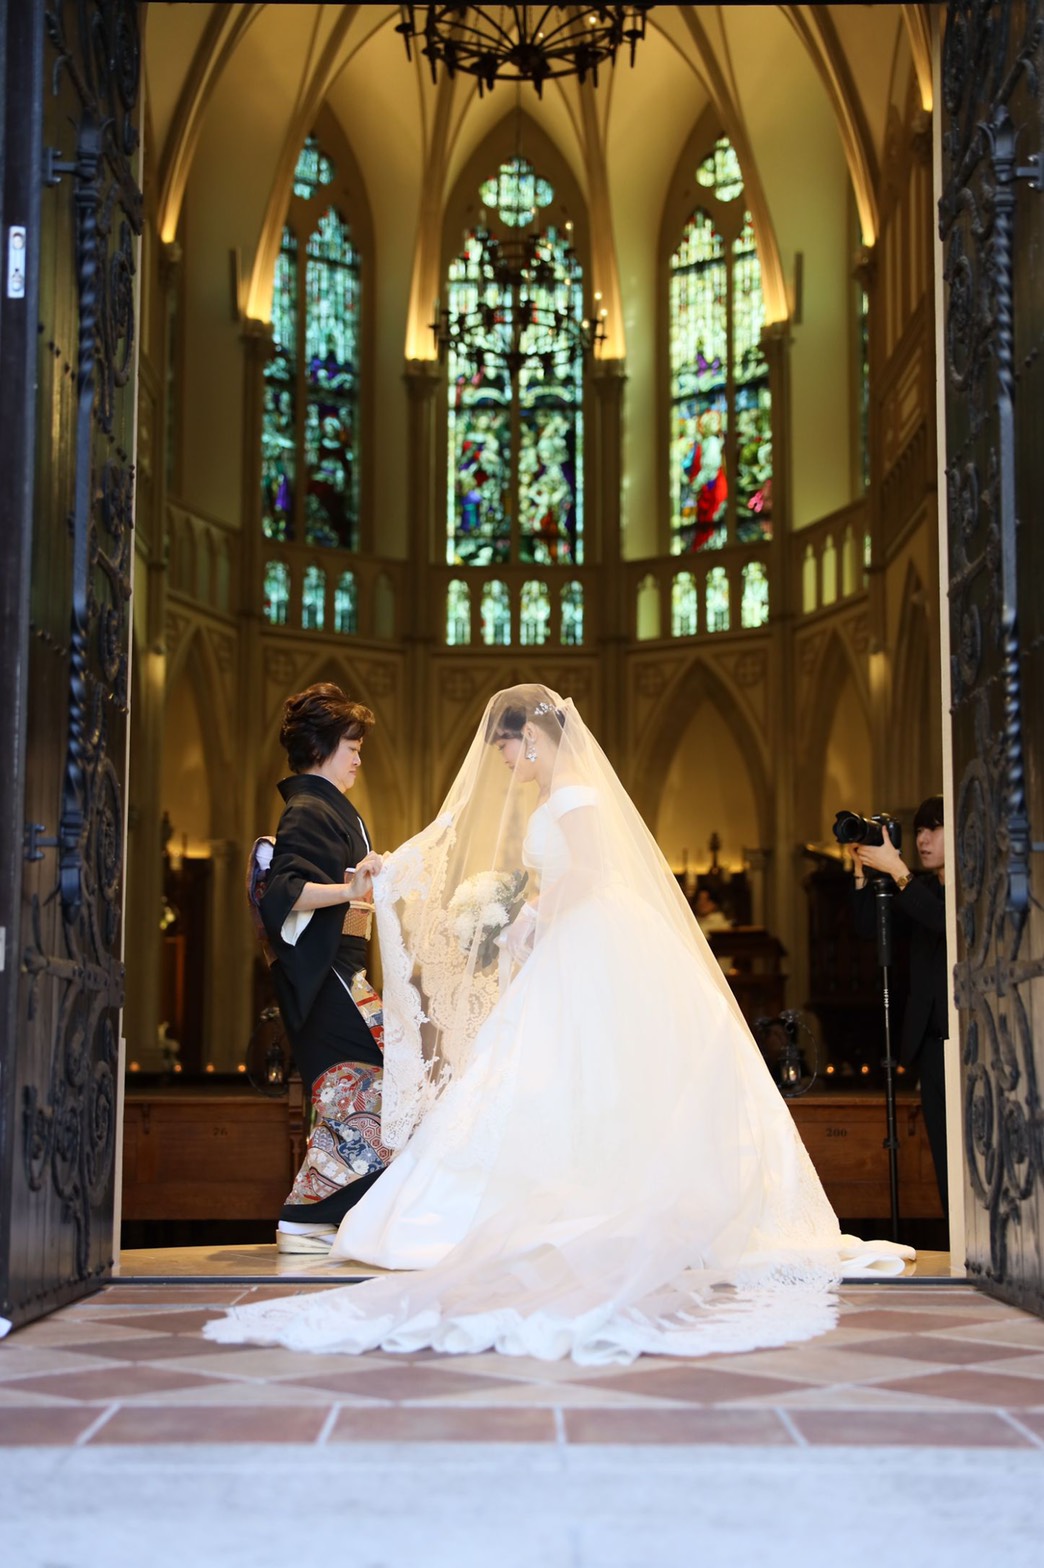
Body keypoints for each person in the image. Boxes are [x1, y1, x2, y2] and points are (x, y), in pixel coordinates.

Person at [207, 684, 910, 1363]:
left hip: (590, 941)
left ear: (533, 737)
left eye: (509, 751)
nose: (507, 765)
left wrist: (536, 915)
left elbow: (593, 870)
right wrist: (528, 914)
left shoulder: (574, 791)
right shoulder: (539, 794)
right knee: (558, 1072)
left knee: (579, 1066)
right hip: (571, 940)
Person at [260, 683, 386, 1254]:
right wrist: (350, 888)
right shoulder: (311, 808)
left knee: (361, 1093)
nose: (359, 757)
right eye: (351, 745)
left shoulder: (329, 807)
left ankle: (313, 1215)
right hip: (329, 973)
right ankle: (306, 1214)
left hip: (345, 971)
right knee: (371, 1090)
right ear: (323, 747)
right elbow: (282, 892)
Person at [850, 795, 949, 1211]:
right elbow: (867, 927)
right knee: (943, 1153)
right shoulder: (919, 886)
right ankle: (958, 1246)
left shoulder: (970, 887)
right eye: (919, 831)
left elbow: (946, 921)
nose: (923, 839)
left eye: (934, 829)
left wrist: (899, 872)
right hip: (929, 1044)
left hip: (966, 1039)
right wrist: (861, 871)